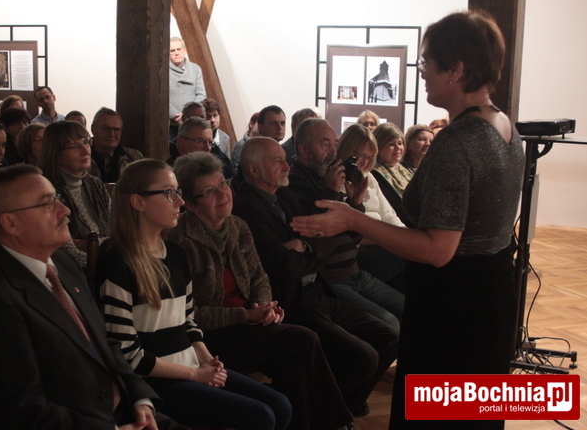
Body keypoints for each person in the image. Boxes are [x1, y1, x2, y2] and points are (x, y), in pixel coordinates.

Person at [290, 11, 524, 430]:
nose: (422, 73)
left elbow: (438, 249)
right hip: (491, 293)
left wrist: (353, 220)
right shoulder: (505, 126)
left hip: (453, 304)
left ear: (456, 70)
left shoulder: (458, 141)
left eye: (426, 63)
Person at [0, 164, 186, 430]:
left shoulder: (62, 263)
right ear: (11, 223)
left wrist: (141, 400)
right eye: (47, 204)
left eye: (57, 198)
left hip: (126, 410)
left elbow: (106, 343)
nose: (64, 210)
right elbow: (22, 409)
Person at [98, 159, 293, 430]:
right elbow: (127, 354)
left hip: (189, 365)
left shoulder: (176, 254)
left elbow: (188, 322)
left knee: (281, 405)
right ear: (138, 202)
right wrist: (194, 374)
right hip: (153, 382)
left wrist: (208, 360)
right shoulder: (118, 262)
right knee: (261, 416)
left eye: (178, 192)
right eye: (169, 193)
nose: (179, 201)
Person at [169, 152, 356, 430]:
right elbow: (189, 315)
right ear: (191, 205)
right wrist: (246, 316)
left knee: (294, 372)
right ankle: (337, 424)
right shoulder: (179, 241)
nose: (223, 194)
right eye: (209, 191)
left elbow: (259, 277)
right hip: (209, 338)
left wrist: (264, 306)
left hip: (249, 326)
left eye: (223, 184)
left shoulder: (237, 227)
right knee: (305, 338)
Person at [233, 137, 399, 422]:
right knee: (364, 356)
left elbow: (332, 239)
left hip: (317, 287)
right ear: (253, 169)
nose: (287, 165)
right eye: (278, 161)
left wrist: (306, 244)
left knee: (389, 337)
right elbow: (286, 266)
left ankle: (338, 410)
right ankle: (329, 417)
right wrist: (311, 245)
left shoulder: (282, 196)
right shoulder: (248, 207)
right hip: (292, 300)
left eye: (285, 160)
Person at [284, 118, 404, 330]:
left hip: (355, 272)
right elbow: (316, 237)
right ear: (303, 150)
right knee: (389, 323)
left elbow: (352, 236)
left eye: (335, 144)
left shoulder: (326, 177)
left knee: (409, 308)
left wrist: (356, 203)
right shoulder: (293, 184)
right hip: (330, 280)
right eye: (325, 145)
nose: (333, 152)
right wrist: (331, 192)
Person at [335, 124, 406, 291]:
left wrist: (404, 238)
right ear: (345, 150)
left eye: (369, 157)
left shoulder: (369, 177)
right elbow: (347, 232)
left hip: (382, 240)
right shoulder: (335, 179)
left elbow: (389, 215)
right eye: (359, 155)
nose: (364, 162)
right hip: (361, 248)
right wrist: (388, 238)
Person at [38, 121, 110, 267]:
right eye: (74, 146)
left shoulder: (95, 184)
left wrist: (90, 245)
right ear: (56, 154)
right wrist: (105, 250)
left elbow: (119, 235)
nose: (85, 150)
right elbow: (70, 255)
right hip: (70, 273)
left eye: (86, 142)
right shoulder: (46, 191)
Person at [371, 122, 414, 227]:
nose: (398, 148)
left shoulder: (404, 169)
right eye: (391, 144)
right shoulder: (374, 173)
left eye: (400, 143)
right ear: (378, 146)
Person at [167, 117, 232, 179]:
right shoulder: (169, 174)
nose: (208, 148)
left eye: (210, 142)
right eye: (201, 141)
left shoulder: (213, 168)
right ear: (182, 142)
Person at [90, 107, 143, 183]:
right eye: (106, 128)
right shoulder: (80, 157)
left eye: (116, 129)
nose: (111, 134)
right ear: (93, 129)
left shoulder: (135, 158)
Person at [168, 37, 206, 127]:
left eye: (179, 49)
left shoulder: (195, 69)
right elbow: (161, 99)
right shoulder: (163, 71)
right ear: (168, 54)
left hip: (193, 121)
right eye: (172, 50)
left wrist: (189, 114)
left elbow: (201, 95)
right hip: (171, 123)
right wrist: (176, 115)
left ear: (184, 51)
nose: (176, 53)